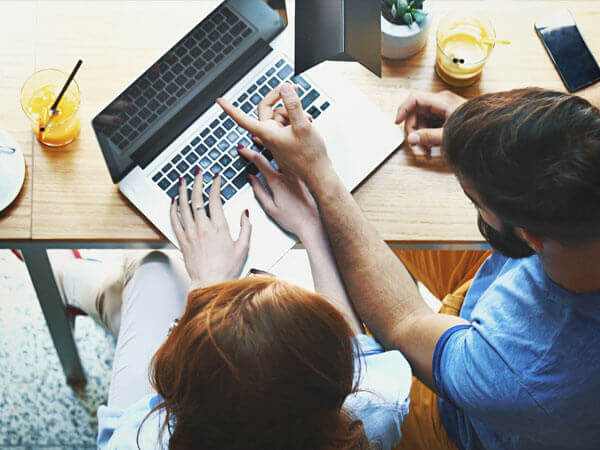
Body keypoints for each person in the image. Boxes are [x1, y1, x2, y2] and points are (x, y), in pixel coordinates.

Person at [217, 84, 600, 449]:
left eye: (473, 199)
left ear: (530, 237)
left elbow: (402, 323)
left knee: (353, 386)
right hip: (497, 284)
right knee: (366, 223)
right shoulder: (572, 226)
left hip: (459, 416)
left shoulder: (521, 374)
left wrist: (319, 176)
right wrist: (494, 137)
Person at [60, 152, 412, 448]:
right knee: (137, 291)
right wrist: (311, 227)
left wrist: (205, 288)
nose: (263, 275)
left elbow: (167, 387)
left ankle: (71, 281)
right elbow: (356, 348)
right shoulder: (377, 409)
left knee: (153, 266)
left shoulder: (143, 437)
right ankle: (98, 291)